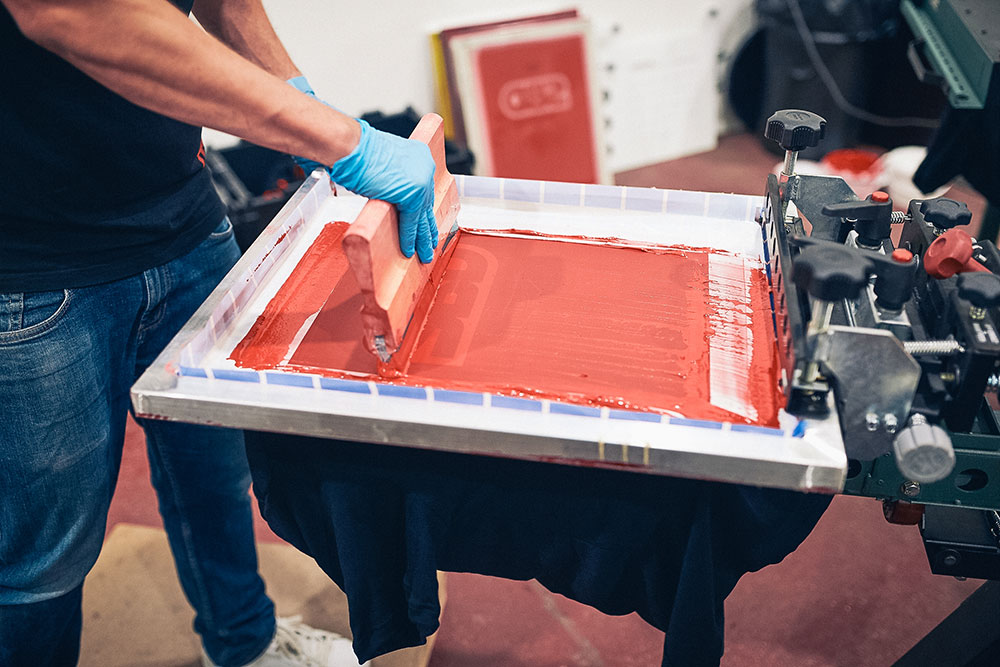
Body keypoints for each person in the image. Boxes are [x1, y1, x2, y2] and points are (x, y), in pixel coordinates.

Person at [0, 1, 437, 666]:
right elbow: (77, 11)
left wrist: (294, 94)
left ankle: (245, 644)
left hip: (185, 221)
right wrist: (344, 140)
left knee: (215, 476)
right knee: (45, 559)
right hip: (32, 264)